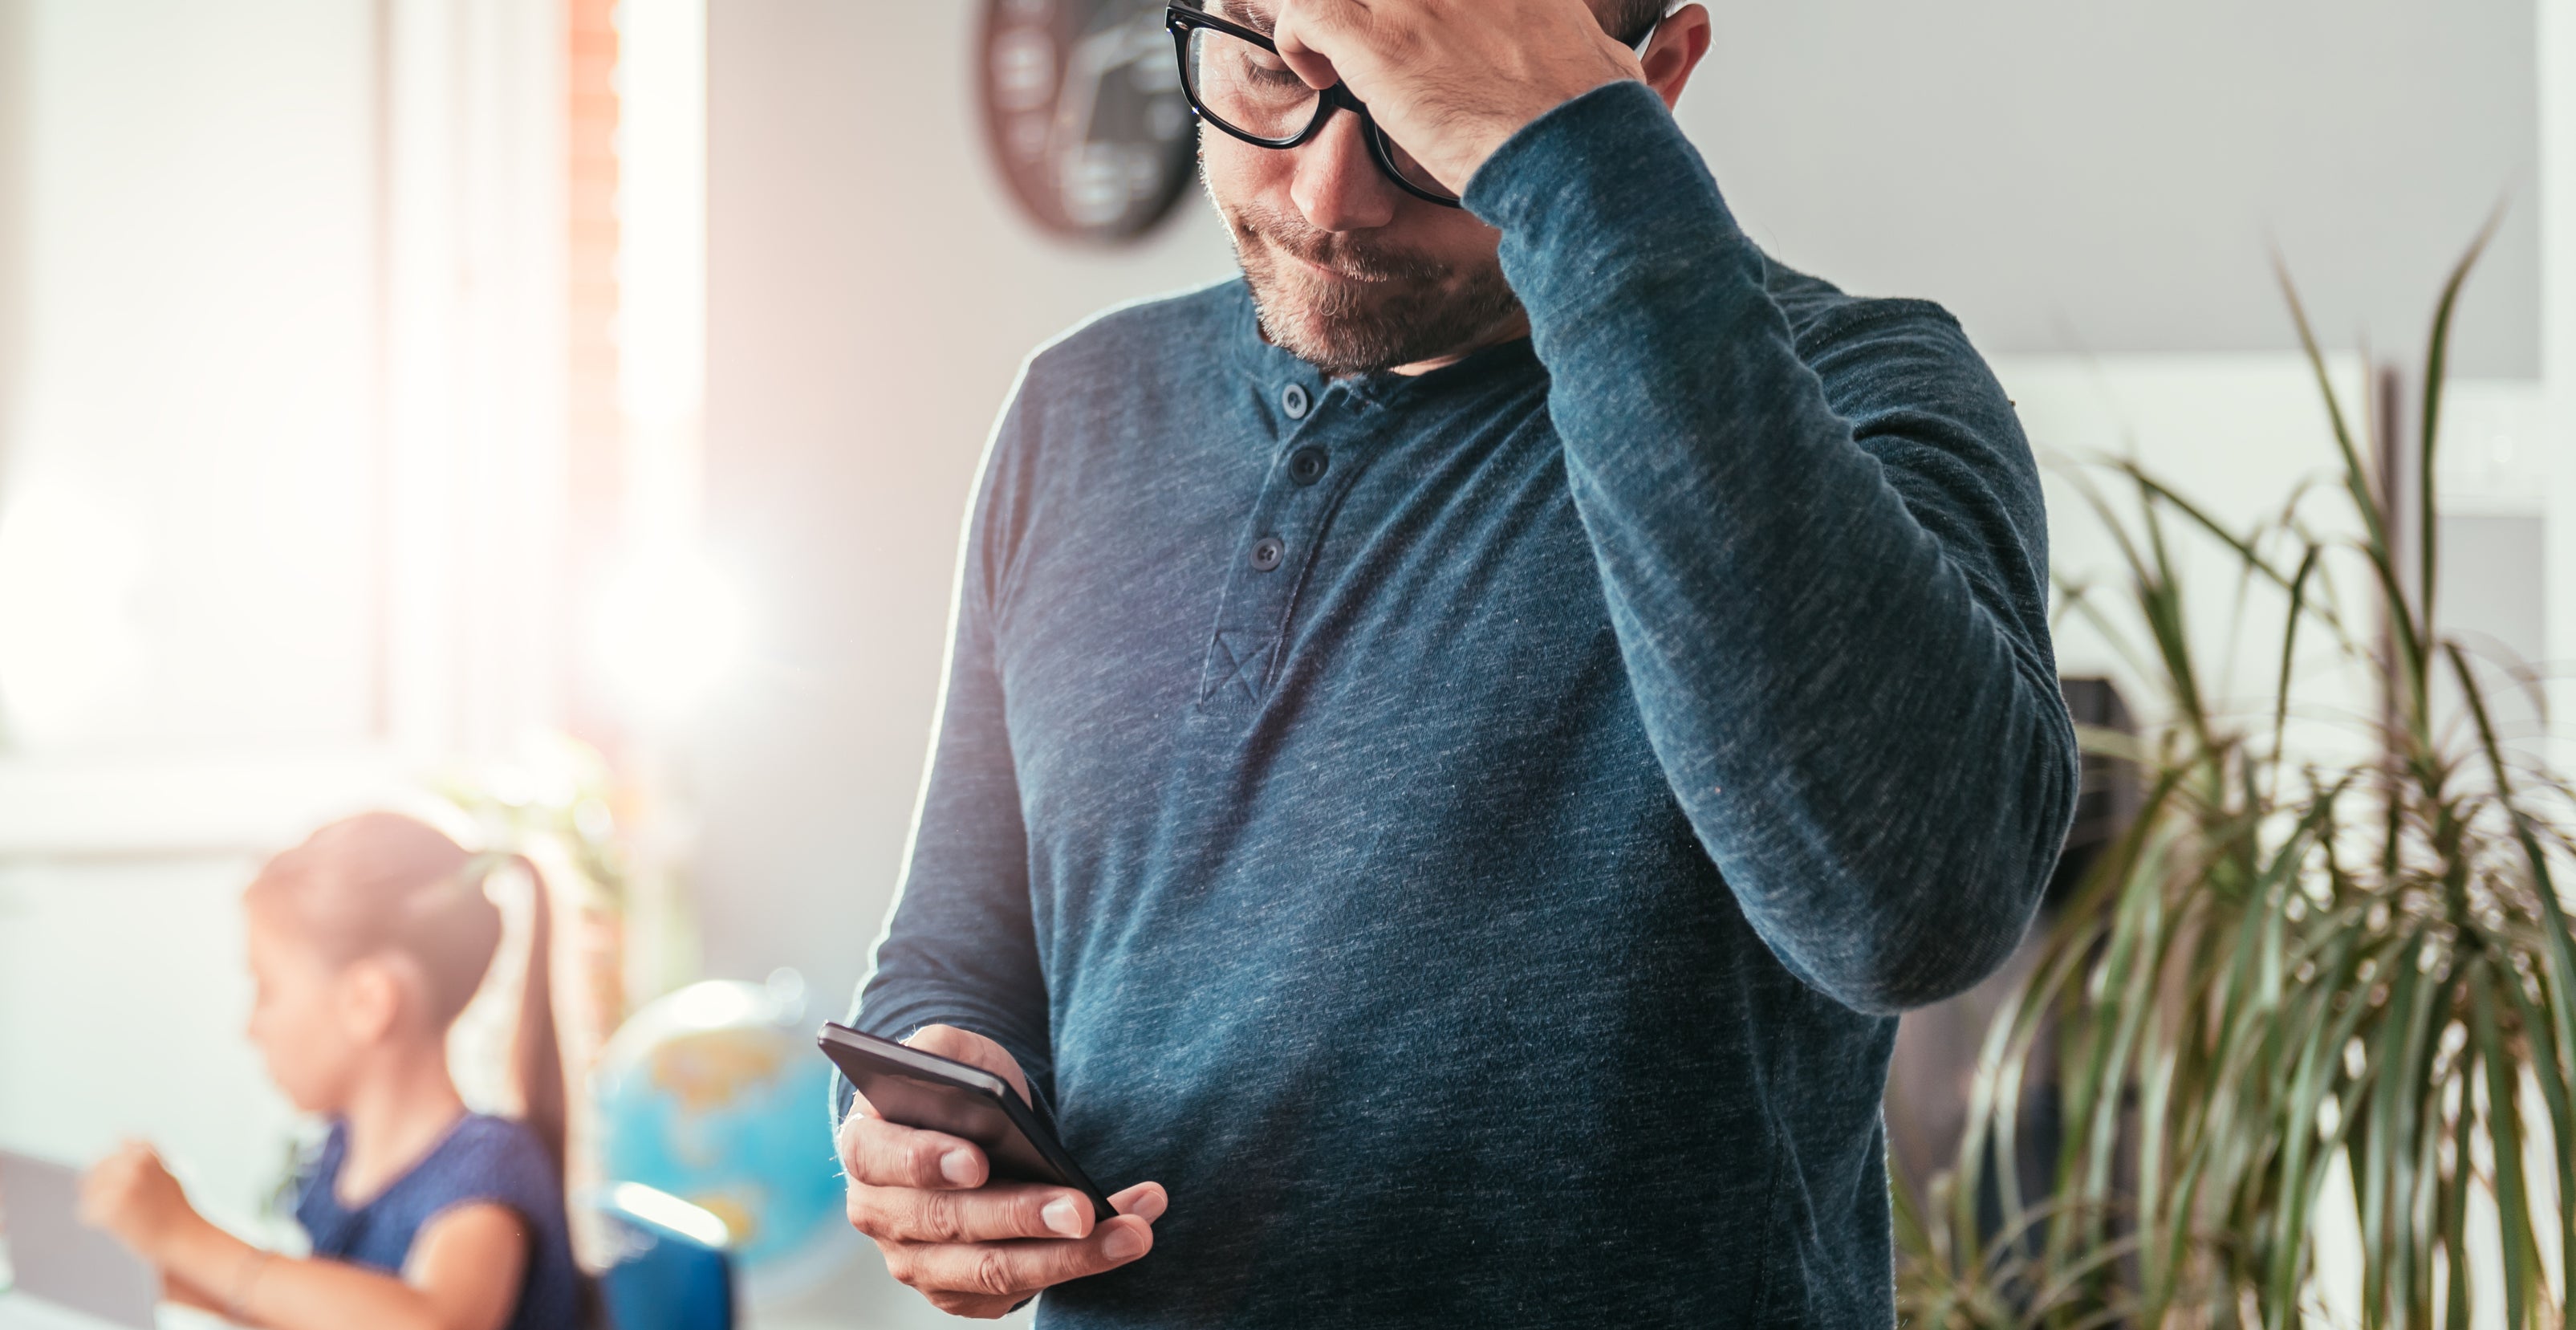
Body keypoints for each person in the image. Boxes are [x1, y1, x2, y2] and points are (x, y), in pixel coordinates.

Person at [835, 0, 2081, 1324]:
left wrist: (1575, 161)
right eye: (1273, 70)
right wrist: (926, 1108)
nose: (1328, 196)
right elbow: (957, 957)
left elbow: (1915, 908)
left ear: (1649, 80)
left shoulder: (1861, 388)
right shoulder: (1077, 410)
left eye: (1419, 107)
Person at [79, 812, 583, 1330]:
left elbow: (434, 1322)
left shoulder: (490, 1165)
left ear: (366, 1002)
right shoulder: (341, 1150)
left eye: (268, 990)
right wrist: (174, 1271)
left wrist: (188, 1236)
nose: (250, 1027)